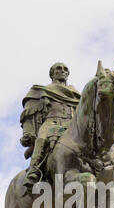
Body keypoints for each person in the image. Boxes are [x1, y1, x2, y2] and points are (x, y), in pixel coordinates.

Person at [20, 62, 81, 190]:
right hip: (52, 122)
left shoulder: (77, 95)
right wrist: (27, 133)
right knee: (42, 139)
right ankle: (34, 171)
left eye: (65, 69)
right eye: (59, 68)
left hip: (72, 125)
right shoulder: (41, 91)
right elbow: (29, 113)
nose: (63, 71)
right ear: (52, 73)